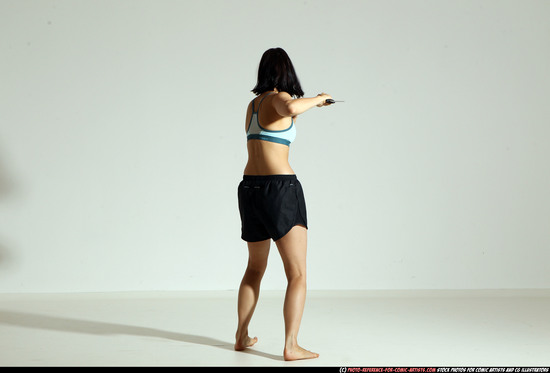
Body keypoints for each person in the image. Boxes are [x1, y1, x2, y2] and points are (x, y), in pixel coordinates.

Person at [235, 47, 332, 361]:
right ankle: (291, 345)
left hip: (250, 188)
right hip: (280, 189)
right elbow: (290, 107)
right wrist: (318, 99)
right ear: (286, 72)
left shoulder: (252, 105)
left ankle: (242, 335)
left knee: (254, 269)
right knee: (297, 274)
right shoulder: (280, 98)